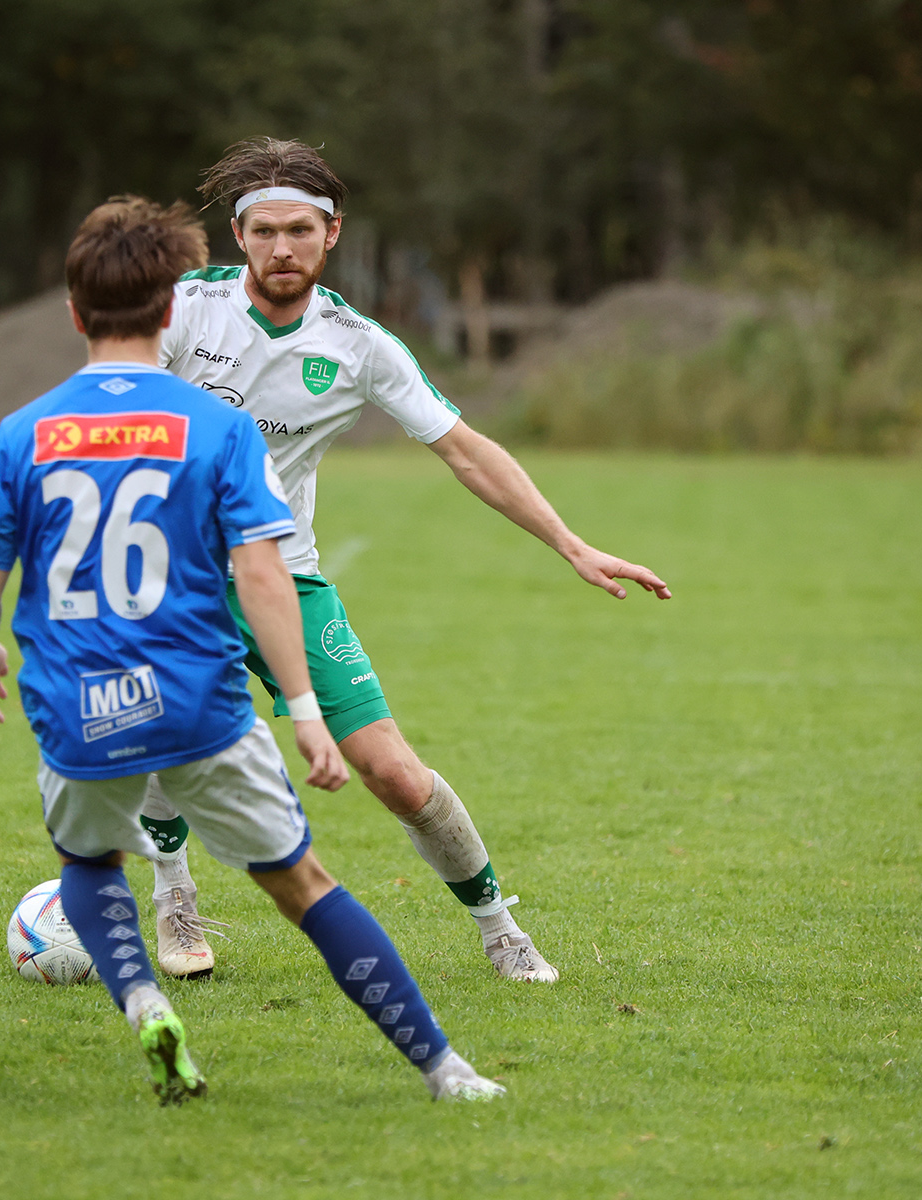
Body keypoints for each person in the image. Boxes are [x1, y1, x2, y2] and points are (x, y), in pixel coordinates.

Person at [0, 196, 505, 1104]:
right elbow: (261, 578)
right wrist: (303, 708)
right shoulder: (217, 427)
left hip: (73, 702)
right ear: (172, 311)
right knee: (307, 888)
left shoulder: (22, 432)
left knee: (89, 865)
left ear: (71, 311)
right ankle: (446, 1071)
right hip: (198, 695)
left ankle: (141, 1003)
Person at [140, 138, 672, 984]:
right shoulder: (181, 312)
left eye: (301, 231)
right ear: (240, 237)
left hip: (284, 574)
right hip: (168, 575)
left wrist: (571, 544)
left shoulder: (360, 346)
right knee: (168, 731)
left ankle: (500, 926)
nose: (284, 248)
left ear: (333, 234)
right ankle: (174, 895)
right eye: (267, 231)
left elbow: (466, 451)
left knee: (390, 770)